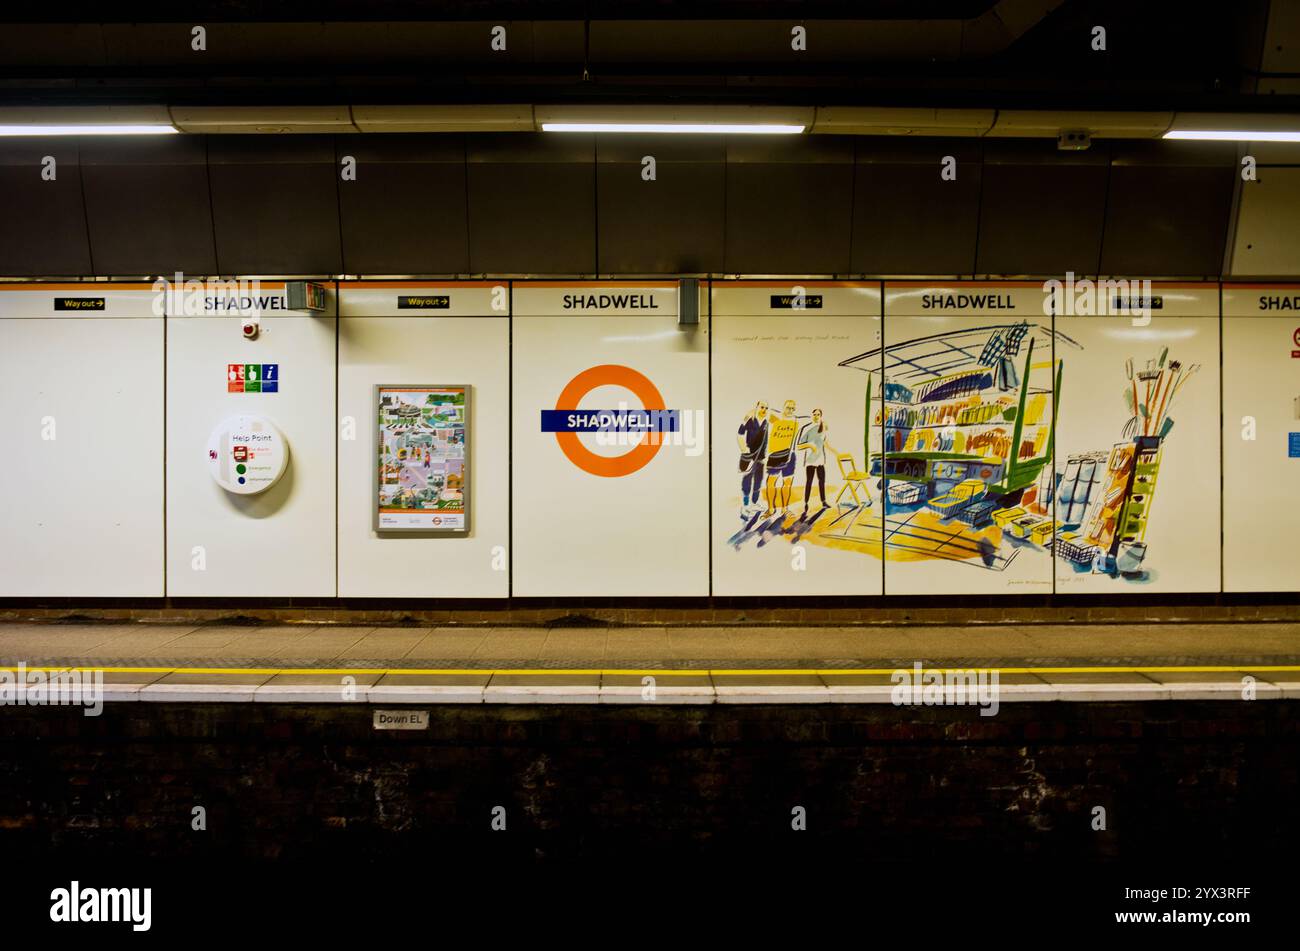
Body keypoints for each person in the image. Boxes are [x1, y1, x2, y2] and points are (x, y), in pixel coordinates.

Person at [796, 408, 836, 516]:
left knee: (822, 481)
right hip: (810, 460)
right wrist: (810, 445)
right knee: (809, 482)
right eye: (814, 414)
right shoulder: (807, 428)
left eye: (818, 414)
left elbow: (826, 444)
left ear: (821, 416)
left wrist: (836, 453)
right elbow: (799, 446)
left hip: (820, 460)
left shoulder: (823, 428)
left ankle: (823, 502)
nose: (816, 416)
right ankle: (806, 503)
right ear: (811, 415)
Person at [763, 400, 800, 517]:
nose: (791, 410)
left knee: (787, 483)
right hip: (775, 454)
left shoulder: (795, 421)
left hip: (789, 454)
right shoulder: (774, 417)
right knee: (770, 483)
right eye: (788, 408)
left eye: (793, 409)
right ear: (783, 407)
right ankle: (770, 509)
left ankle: (785, 509)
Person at [736, 401, 769, 515]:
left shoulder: (766, 422)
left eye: (766, 408)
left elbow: (766, 440)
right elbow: (740, 434)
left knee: (758, 481)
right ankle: (745, 506)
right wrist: (744, 450)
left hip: (760, 457)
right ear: (757, 407)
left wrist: (765, 455)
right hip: (749, 456)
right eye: (762, 407)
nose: (764, 409)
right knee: (747, 481)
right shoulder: (750, 419)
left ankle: (754, 503)